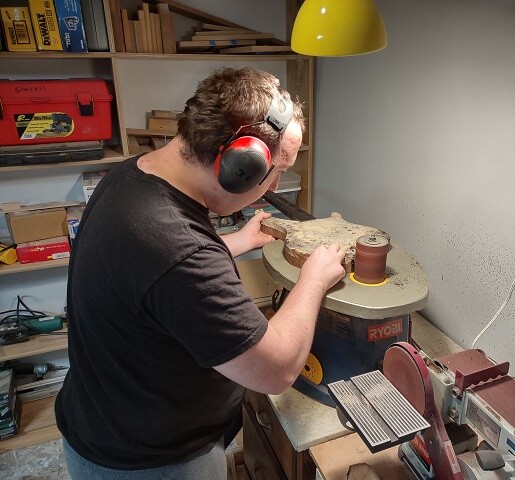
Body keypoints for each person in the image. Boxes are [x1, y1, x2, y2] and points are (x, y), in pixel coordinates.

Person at [55, 67, 347, 480]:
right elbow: (276, 370)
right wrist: (313, 279)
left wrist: (231, 245)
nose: (275, 184)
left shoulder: (131, 175)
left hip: (104, 421)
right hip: (152, 463)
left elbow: (153, 281)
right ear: (238, 165)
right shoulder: (179, 250)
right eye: (276, 170)